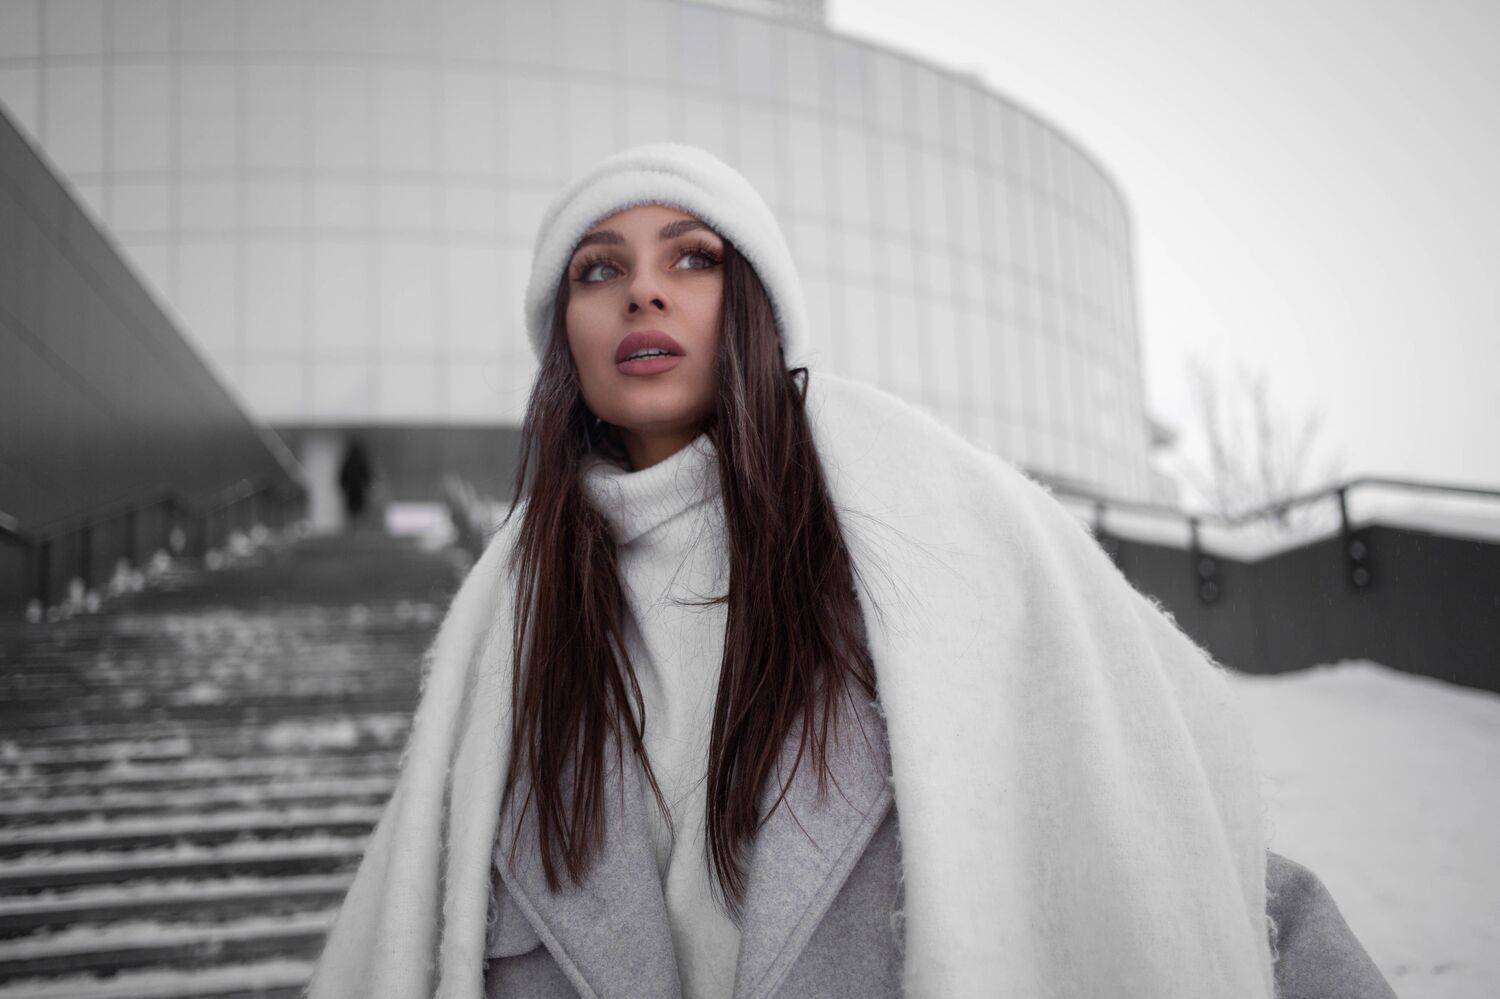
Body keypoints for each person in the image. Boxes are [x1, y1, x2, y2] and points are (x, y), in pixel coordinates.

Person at [307, 144, 1395, 999]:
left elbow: (1170, 832)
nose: (644, 294)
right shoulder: (504, 636)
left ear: (755, 304)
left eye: (693, 258)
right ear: (566, 339)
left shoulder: (933, 533)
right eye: (600, 270)